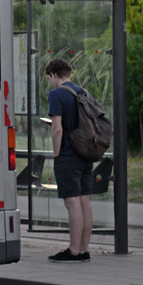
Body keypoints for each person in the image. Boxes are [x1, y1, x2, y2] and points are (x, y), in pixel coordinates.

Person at [45, 58, 93, 262]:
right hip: (85, 153)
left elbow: (57, 128)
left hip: (67, 154)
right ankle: (83, 249)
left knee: (71, 202)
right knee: (84, 201)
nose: (50, 82)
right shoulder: (83, 92)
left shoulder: (57, 94)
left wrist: (57, 155)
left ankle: (73, 251)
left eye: (49, 78)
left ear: (53, 75)